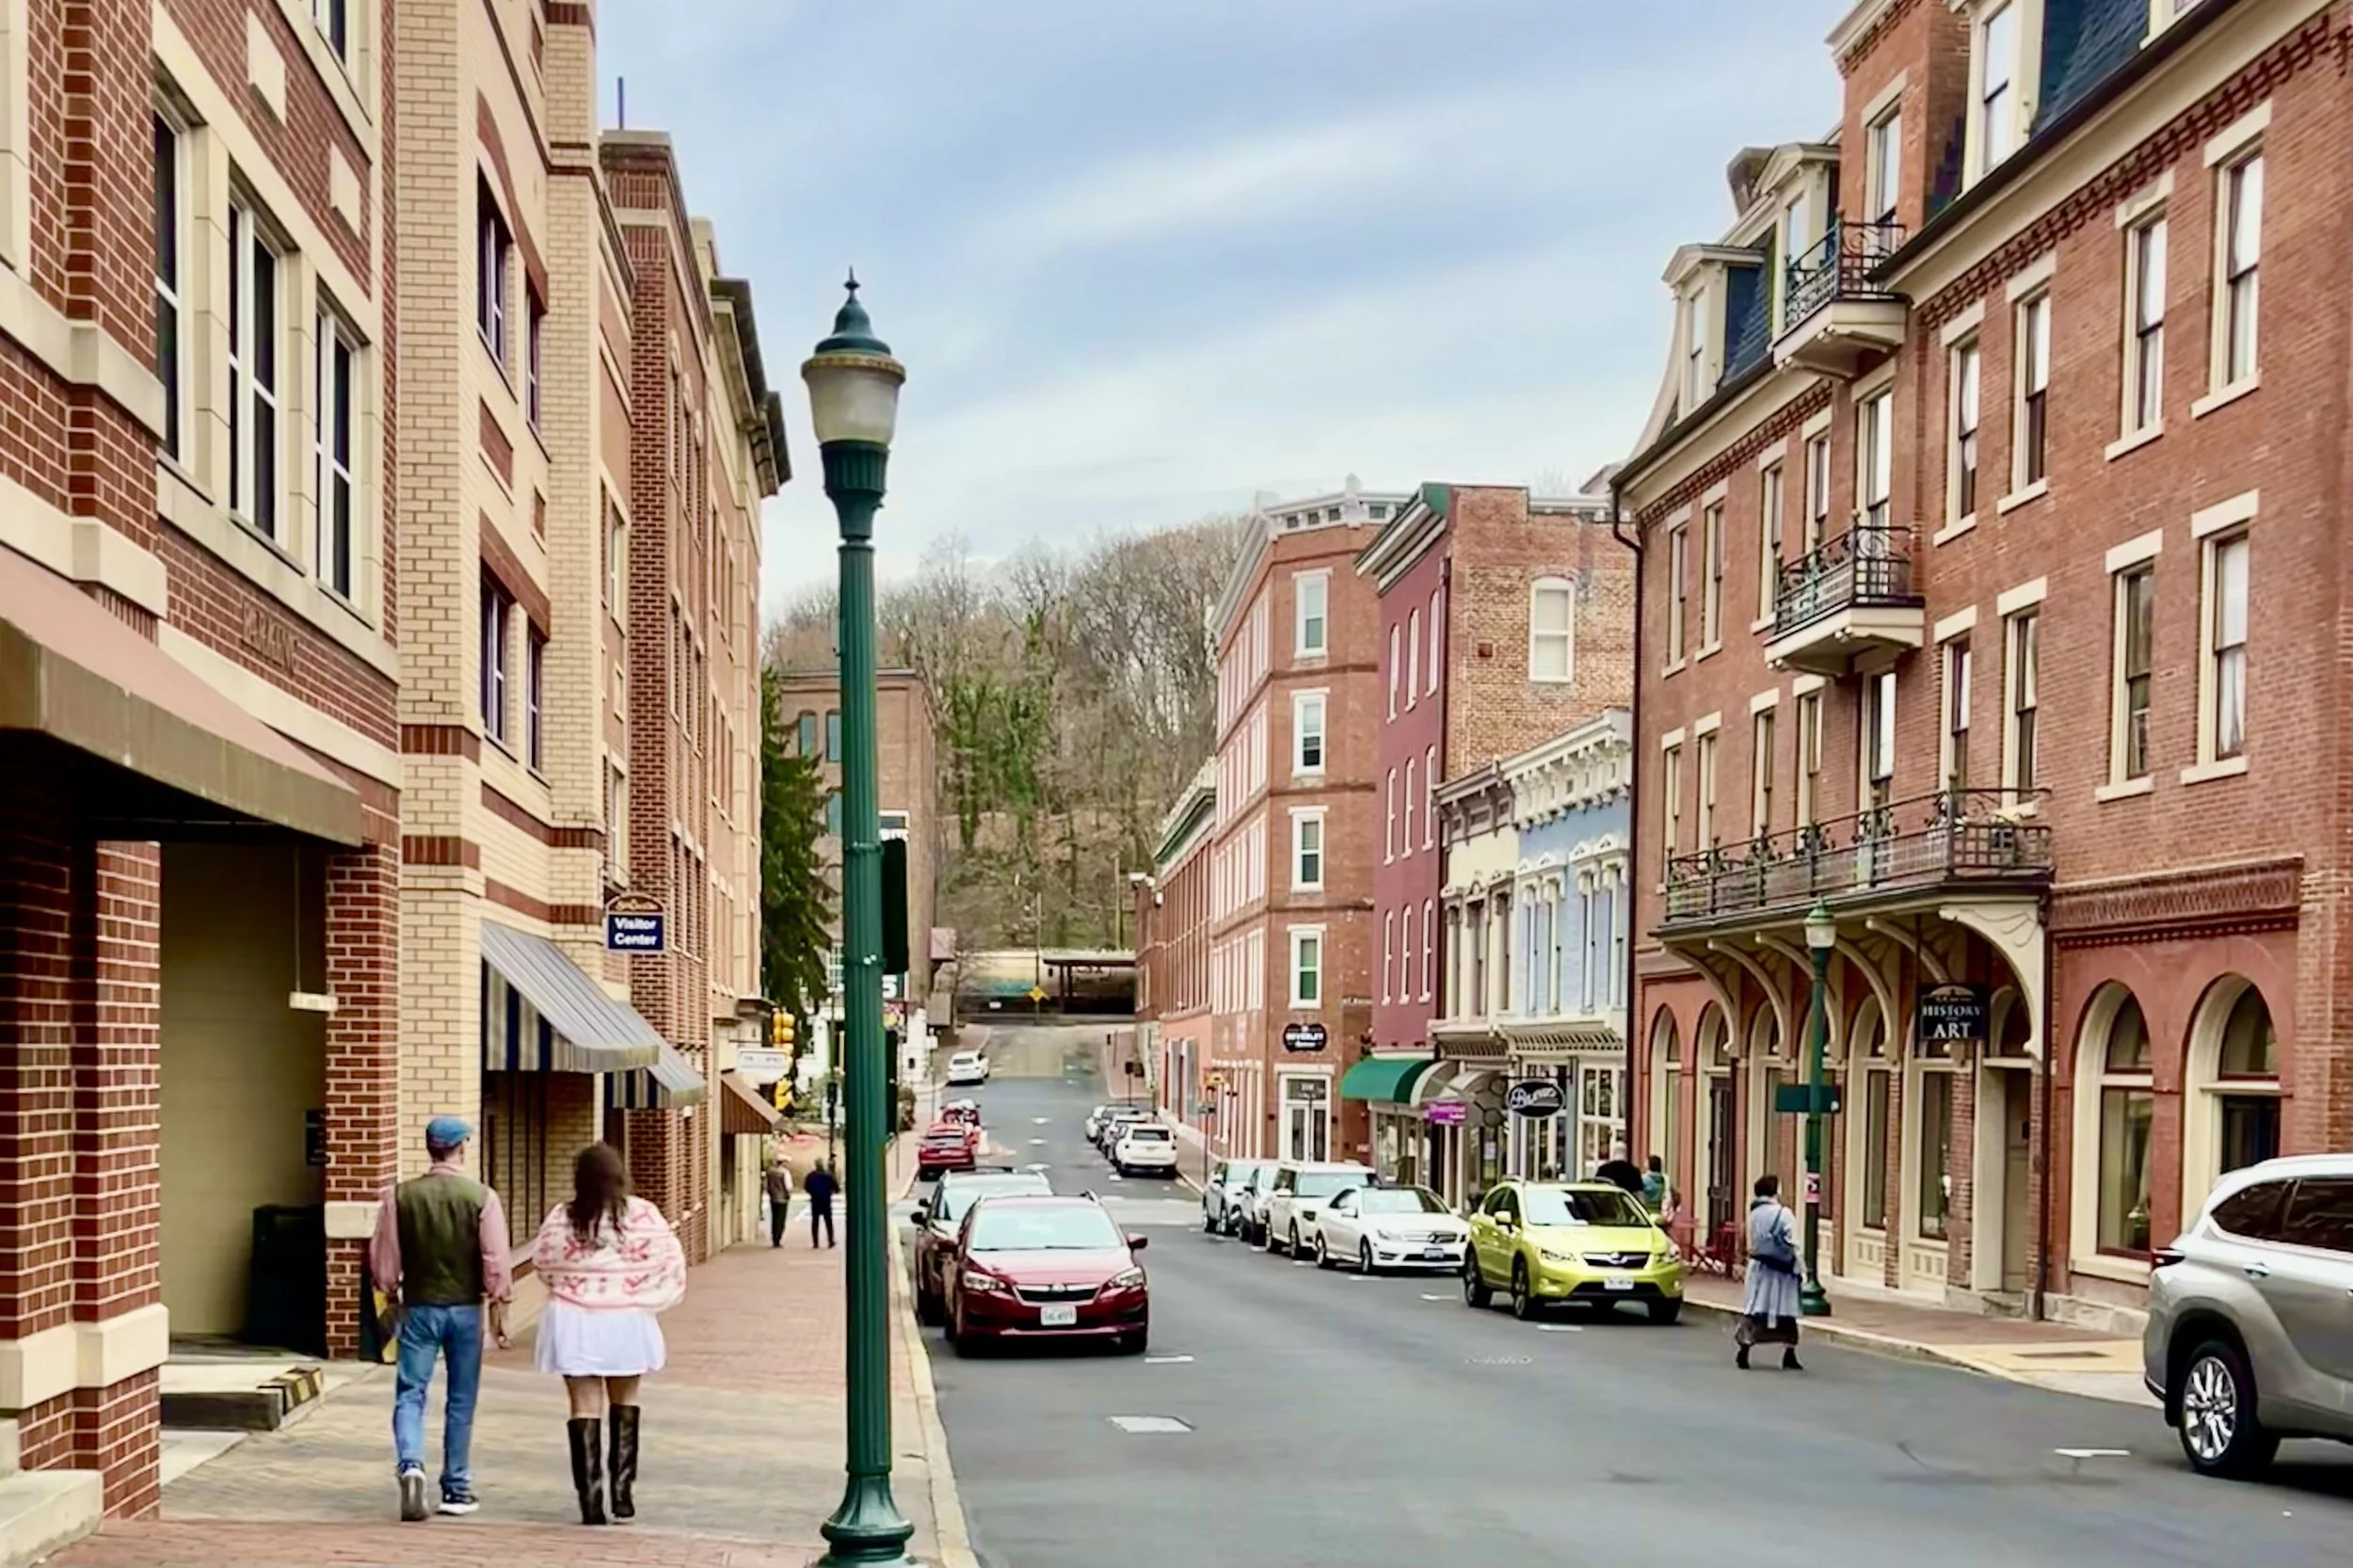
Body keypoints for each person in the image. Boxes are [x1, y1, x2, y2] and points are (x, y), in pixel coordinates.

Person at [531, 1144, 687, 1526]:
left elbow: (543, 1262)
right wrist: (640, 1293)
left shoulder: (562, 1216)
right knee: (626, 1400)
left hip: (574, 1319)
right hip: (626, 1319)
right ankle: (622, 1494)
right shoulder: (644, 1215)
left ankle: (590, 1500)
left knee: (583, 1405)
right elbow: (668, 1261)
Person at [368, 1115, 513, 1523]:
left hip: (418, 1306)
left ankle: (411, 1464)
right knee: (461, 1399)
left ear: (430, 1148)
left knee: (411, 1392)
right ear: (461, 1147)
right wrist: (501, 1305)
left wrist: (391, 1292)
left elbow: (384, 1262)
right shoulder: (482, 1197)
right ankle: (457, 1486)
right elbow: (496, 1261)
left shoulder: (398, 1197)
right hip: (467, 1309)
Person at [1737, 1173, 1804, 1371]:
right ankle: (1789, 1353)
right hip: (1781, 1271)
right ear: (1775, 1191)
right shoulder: (1784, 1214)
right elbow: (1794, 1242)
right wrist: (1800, 1267)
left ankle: (1745, 1348)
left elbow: (1747, 1242)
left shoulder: (1753, 1215)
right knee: (1786, 1311)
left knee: (1755, 1309)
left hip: (1758, 1268)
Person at [804, 1160, 838, 1248]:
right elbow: (836, 1188)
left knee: (815, 1222)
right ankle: (830, 1241)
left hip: (815, 1200)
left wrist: (812, 1192)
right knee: (828, 1222)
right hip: (826, 1200)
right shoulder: (828, 1175)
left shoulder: (811, 1176)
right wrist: (830, 1192)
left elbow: (806, 1187)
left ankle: (815, 1242)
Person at [764, 1159, 794, 1248]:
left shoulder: (770, 1172)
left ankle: (774, 1238)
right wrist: (788, 1195)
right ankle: (778, 1238)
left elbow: (767, 1185)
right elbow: (788, 1186)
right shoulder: (785, 1173)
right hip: (782, 1198)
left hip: (773, 1198)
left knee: (774, 1218)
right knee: (781, 1219)